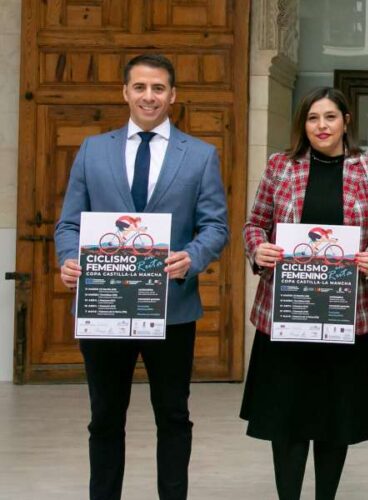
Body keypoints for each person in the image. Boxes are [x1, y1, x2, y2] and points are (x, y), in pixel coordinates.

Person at [54, 53, 229, 500]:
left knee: (172, 416)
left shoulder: (201, 155)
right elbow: (70, 222)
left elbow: (216, 226)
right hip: (104, 308)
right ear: (125, 92)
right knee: (105, 417)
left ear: (173, 95)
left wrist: (192, 256)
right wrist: (69, 258)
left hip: (172, 308)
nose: (148, 96)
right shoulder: (94, 150)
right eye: (139, 87)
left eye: (157, 88)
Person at [240, 87, 368, 499]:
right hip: (287, 312)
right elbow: (254, 223)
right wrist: (259, 248)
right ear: (302, 125)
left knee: (335, 417)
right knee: (286, 418)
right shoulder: (280, 166)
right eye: (312, 118)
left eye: (329, 117)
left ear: (346, 120)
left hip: (348, 315)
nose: (321, 126)